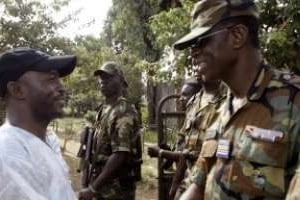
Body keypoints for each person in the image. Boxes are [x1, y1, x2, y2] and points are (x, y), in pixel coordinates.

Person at [173, 0, 300, 199]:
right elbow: (198, 185)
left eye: (201, 41)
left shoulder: (294, 102)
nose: (193, 52)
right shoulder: (222, 111)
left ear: (237, 36)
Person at [0, 47, 77, 199]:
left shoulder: (47, 139)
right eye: (51, 79)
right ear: (17, 90)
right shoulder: (8, 153)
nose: (62, 88)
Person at [148, 79, 225, 200]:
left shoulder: (223, 106)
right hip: (188, 178)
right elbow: (184, 153)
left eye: (185, 94)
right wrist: (175, 185)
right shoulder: (192, 108)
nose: (181, 98)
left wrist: (161, 153)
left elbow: (197, 155)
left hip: (208, 182)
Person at [78, 62, 140, 200]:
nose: (102, 80)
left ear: (120, 80)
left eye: (108, 77)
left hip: (116, 189)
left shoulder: (123, 110)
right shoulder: (104, 109)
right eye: (100, 77)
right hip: (101, 185)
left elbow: (120, 154)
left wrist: (93, 188)